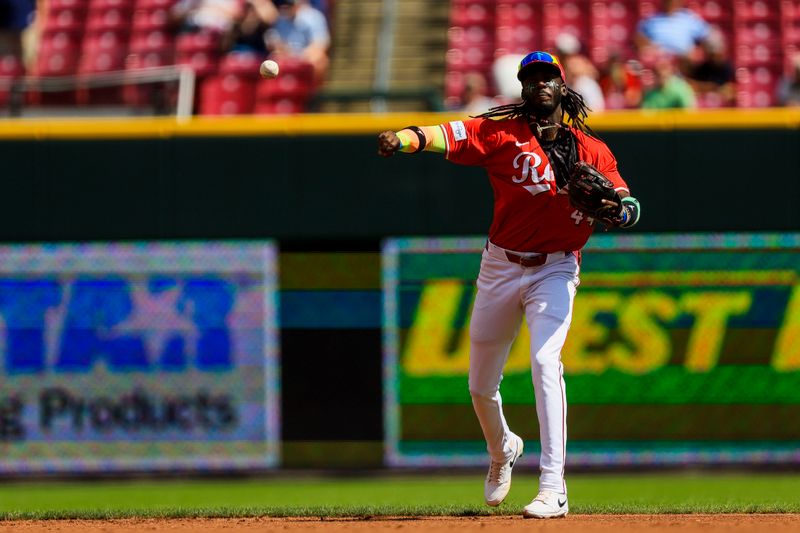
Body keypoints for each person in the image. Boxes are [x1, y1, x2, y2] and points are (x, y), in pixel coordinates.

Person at [377, 51, 641, 519]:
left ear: (563, 86)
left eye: (547, 77)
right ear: (522, 88)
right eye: (531, 78)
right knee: (480, 386)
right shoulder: (502, 132)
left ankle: (553, 485)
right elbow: (451, 134)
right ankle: (503, 451)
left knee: (544, 361)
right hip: (500, 266)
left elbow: (629, 204)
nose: (539, 83)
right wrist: (406, 138)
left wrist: (618, 210)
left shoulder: (592, 150)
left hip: (556, 268)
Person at [265, 0, 330, 82]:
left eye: (288, 5)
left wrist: (301, 57)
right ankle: (278, 91)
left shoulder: (313, 16)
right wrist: (285, 53)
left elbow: (320, 44)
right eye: (282, 5)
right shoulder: (279, 20)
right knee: (271, 61)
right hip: (288, 55)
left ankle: (313, 92)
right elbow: (277, 46)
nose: (285, 8)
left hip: (307, 55)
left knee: (320, 59)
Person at [635, 0, 710, 62]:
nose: (672, 4)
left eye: (675, 2)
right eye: (669, 1)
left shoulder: (689, 18)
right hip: (661, 60)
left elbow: (707, 36)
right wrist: (650, 47)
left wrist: (698, 52)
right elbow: (639, 38)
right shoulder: (652, 20)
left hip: (685, 59)